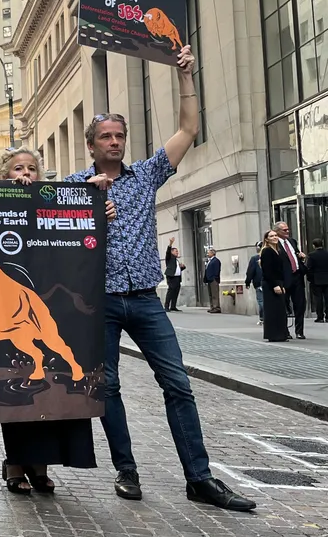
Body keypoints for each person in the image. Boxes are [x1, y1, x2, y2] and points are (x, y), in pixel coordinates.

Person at [65, 45, 254, 512]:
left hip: (147, 300)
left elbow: (189, 128)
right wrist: (85, 204)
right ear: (91, 145)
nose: (113, 142)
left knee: (177, 384)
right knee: (107, 388)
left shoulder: (146, 175)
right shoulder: (72, 185)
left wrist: (186, 74)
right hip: (100, 303)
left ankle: (200, 478)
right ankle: (126, 470)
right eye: (105, 136)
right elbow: (35, 219)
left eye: (119, 136)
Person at [0, 147, 115, 495]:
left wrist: (96, 207)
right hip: (10, 306)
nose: (26, 174)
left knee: (51, 382)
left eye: (32, 168)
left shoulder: (54, 205)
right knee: (20, 384)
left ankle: (40, 467)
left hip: (47, 303)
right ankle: (15, 464)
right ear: (5, 176)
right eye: (18, 169)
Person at [274, 222, 308, 339]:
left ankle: (299, 331)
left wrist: (301, 257)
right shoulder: (275, 243)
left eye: (288, 229)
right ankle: (285, 331)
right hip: (284, 278)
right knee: (284, 306)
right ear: (277, 231)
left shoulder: (292, 242)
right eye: (284, 230)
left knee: (300, 305)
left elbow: (296, 254)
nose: (287, 232)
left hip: (297, 276)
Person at [260, 230, 290, 343]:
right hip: (270, 283)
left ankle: (281, 334)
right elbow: (267, 270)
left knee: (280, 309)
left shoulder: (278, 251)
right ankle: (273, 334)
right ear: (267, 239)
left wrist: (282, 284)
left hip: (278, 282)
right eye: (271, 236)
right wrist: (275, 285)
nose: (274, 237)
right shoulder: (267, 251)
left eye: (276, 235)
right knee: (272, 309)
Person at [305, 238, 328, 324]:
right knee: (327, 298)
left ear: (314, 246)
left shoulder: (312, 255)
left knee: (318, 299)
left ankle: (320, 316)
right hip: (327, 279)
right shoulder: (327, 254)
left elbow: (309, 268)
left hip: (316, 279)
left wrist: (310, 278)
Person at [162, 239, 185, 312]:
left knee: (176, 292)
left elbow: (177, 269)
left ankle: (173, 306)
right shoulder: (169, 258)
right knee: (171, 291)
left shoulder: (176, 260)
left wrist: (182, 267)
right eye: (176, 251)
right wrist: (170, 244)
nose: (177, 252)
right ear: (172, 252)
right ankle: (166, 306)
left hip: (177, 278)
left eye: (177, 251)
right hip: (171, 277)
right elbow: (168, 252)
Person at [245, 242, 264, 325]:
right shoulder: (255, 259)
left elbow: (250, 272)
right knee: (263, 301)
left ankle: (262, 318)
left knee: (261, 301)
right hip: (262, 283)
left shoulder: (255, 259)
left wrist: (248, 282)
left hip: (259, 283)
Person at [203, 249, 221, 314]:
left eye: (209, 253)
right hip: (209, 280)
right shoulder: (209, 261)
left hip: (213, 280)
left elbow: (217, 271)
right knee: (210, 294)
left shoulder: (216, 261)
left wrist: (214, 277)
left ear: (213, 253)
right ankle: (212, 307)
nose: (208, 254)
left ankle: (216, 307)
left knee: (214, 294)